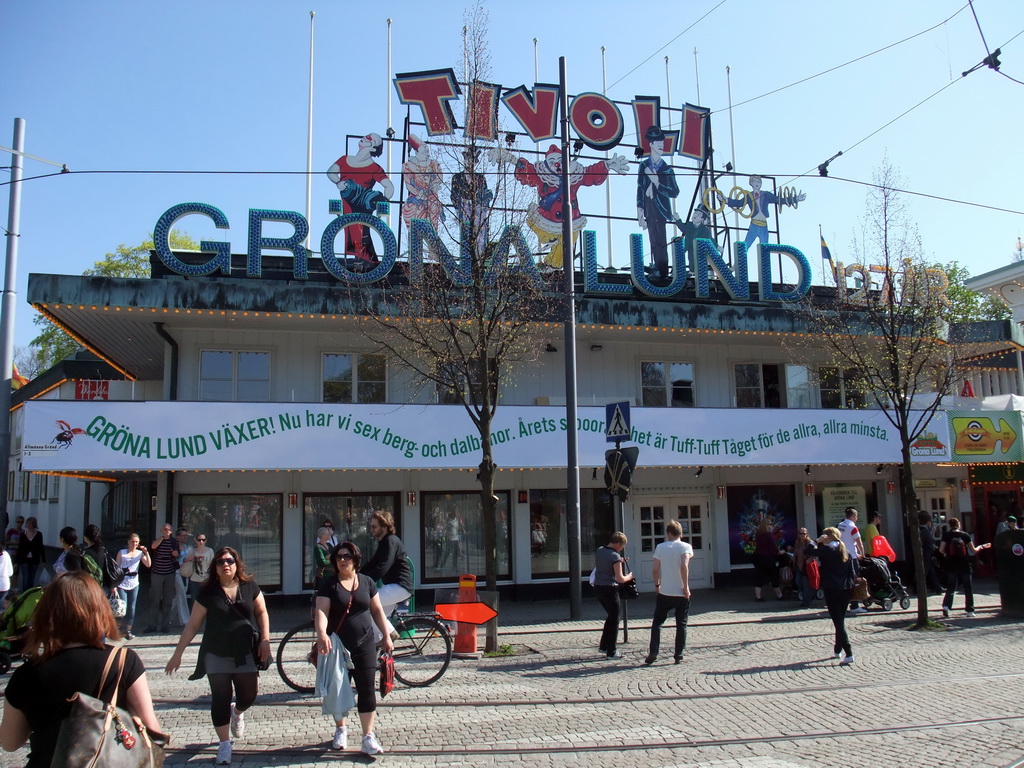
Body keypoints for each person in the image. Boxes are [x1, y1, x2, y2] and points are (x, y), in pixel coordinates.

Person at [0, 571, 162, 767]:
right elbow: (152, 730)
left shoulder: (27, 674)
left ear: (47, 615)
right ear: (99, 611)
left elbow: (10, 743)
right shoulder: (123, 661)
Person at [166, 546, 270, 766]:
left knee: (249, 695)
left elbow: (262, 612)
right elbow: (193, 625)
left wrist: (266, 640)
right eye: (221, 561)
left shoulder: (249, 586)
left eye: (230, 561)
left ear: (237, 564)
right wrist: (178, 653)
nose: (226, 565)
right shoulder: (207, 592)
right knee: (220, 698)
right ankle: (224, 744)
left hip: (245, 652)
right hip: (216, 653)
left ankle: (238, 711)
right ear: (215, 567)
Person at [493, 143, 628, 268]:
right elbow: (527, 170)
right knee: (533, 223)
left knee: (566, 247)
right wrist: (510, 158)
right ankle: (550, 241)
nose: (556, 164)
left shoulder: (574, 176)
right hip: (545, 219)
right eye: (552, 162)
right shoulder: (542, 176)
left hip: (571, 221)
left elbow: (590, 174)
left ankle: (551, 266)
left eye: (560, 161)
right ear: (547, 164)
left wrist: (606, 165)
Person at [314, 542, 393, 755]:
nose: (342, 560)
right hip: (337, 645)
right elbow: (321, 611)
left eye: (346, 556)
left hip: (365, 643)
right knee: (338, 688)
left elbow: (377, 610)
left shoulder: (367, 582)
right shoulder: (329, 585)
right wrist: (322, 634)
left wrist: (386, 635)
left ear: (355, 559)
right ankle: (340, 729)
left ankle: (368, 736)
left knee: (367, 689)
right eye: (338, 557)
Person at [326, 132, 394, 268]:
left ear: (373, 148)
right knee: (351, 231)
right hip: (347, 203)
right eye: (367, 135)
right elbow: (330, 172)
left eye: (371, 139)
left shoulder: (375, 168)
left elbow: (389, 186)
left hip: (363, 206)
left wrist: (384, 202)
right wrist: (338, 182)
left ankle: (369, 261)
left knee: (361, 231)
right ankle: (363, 260)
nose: (365, 138)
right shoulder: (345, 159)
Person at [644, 520, 692, 665]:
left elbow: (655, 569)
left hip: (665, 591)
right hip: (680, 591)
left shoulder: (660, 547)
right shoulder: (686, 547)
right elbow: (684, 566)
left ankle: (653, 651)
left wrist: (657, 584)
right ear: (680, 533)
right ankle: (678, 655)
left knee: (657, 622)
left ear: (668, 533)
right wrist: (685, 586)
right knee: (681, 624)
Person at [636, 125, 681, 281]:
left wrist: (657, 183)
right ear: (651, 144)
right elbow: (640, 187)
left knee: (661, 239)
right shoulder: (644, 165)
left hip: (661, 208)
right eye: (657, 142)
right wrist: (640, 209)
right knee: (653, 238)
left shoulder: (667, 169)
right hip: (648, 206)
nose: (661, 145)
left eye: (662, 142)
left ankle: (663, 268)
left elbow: (674, 191)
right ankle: (656, 265)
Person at [810, 527, 858, 665]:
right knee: (840, 620)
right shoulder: (845, 551)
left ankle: (849, 653)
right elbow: (852, 573)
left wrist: (816, 541)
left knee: (838, 622)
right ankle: (837, 649)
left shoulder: (827, 551)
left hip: (832, 589)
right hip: (845, 590)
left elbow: (808, 551)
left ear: (828, 537)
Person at [361, 510, 413, 625]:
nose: (371, 529)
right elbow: (373, 563)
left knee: (367, 602)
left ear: (384, 527)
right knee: (376, 619)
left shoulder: (390, 541)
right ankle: (388, 637)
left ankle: (389, 636)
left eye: (374, 526)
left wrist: (363, 582)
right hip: (392, 586)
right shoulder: (384, 542)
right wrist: (357, 574)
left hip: (399, 586)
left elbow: (383, 566)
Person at [726, 173, 806, 249]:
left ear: (761, 183)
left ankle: (763, 263)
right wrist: (725, 200)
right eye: (754, 181)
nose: (757, 183)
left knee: (764, 248)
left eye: (758, 181)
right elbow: (739, 203)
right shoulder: (749, 196)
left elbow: (779, 200)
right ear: (751, 183)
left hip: (764, 226)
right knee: (746, 245)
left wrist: (796, 199)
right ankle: (740, 261)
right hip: (754, 224)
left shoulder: (766, 194)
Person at [592, 531, 636, 659]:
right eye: (622, 546)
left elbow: (606, 562)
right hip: (610, 589)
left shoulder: (600, 550)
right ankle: (612, 651)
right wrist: (629, 576)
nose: (622, 549)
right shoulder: (614, 556)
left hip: (598, 587)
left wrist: (620, 561)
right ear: (617, 543)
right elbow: (620, 578)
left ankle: (603, 645)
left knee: (611, 617)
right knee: (615, 618)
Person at [939, 518, 992, 619]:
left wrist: (946, 554)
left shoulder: (946, 535)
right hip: (964, 564)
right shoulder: (964, 535)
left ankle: (946, 607)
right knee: (968, 587)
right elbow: (973, 550)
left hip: (951, 564)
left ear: (950, 525)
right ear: (958, 525)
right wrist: (982, 546)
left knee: (951, 586)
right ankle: (970, 610)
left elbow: (941, 550)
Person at [145, 523, 180, 633]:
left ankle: (165, 625)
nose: (167, 531)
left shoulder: (174, 541)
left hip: (169, 573)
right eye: (165, 529)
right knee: (155, 600)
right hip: (157, 573)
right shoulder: (158, 540)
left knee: (167, 600)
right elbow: (153, 546)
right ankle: (152, 625)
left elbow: (178, 552)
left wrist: (176, 553)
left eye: (169, 530)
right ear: (161, 531)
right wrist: (162, 538)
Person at [117, 533, 151, 640]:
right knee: (123, 606)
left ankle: (128, 630)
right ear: (128, 542)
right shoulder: (122, 553)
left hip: (134, 582)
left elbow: (148, 564)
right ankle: (120, 628)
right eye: (132, 542)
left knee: (132, 607)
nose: (134, 544)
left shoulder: (139, 553)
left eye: (136, 542)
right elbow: (116, 568)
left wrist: (146, 553)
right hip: (122, 582)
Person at [837, 507, 866, 613]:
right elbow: (859, 542)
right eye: (856, 516)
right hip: (852, 557)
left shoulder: (840, 525)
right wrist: (862, 553)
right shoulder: (852, 527)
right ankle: (854, 605)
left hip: (842, 555)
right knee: (854, 580)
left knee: (843, 580)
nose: (857, 518)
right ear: (853, 516)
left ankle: (842, 602)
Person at [752, 516, 783, 601]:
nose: (771, 525)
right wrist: (779, 552)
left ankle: (758, 597)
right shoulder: (769, 535)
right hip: (768, 558)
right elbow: (773, 547)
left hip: (759, 558)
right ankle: (780, 595)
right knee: (773, 576)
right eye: (770, 524)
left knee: (759, 577)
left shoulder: (758, 534)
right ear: (766, 525)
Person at [82, 524, 116, 594]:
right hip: (103, 585)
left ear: (86, 538)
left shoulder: (86, 553)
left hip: (90, 586)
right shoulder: (103, 550)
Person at [183, 533, 214, 604]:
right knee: (195, 601)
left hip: (206, 579)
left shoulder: (210, 551)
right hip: (194, 579)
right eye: (199, 540)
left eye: (203, 540)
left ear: (206, 540)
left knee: (206, 601)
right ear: (195, 540)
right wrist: (189, 559)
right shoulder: (193, 551)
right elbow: (184, 561)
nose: (201, 542)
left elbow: (213, 565)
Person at [917, 511, 943, 594]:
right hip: (926, 554)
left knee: (931, 571)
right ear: (928, 522)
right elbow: (928, 541)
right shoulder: (924, 531)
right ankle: (918, 588)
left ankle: (937, 588)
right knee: (924, 572)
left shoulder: (923, 530)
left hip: (927, 554)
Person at [15, 517, 44, 592]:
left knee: (32, 579)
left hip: (34, 559)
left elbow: (41, 547)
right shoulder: (23, 534)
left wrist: (43, 560)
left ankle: (29, 594)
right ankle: (24, 593)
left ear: (34, 524)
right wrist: (16, 561)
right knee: (26, 578)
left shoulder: (38, 534)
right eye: (27, 523)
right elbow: (20, 548)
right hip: (24, 559)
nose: (28, 525)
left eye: (30, 523)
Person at [172, 527, 193, 626]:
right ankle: (185, 620)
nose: (185, 537)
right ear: (178, 536)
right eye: (183, 535)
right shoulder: (173, 548)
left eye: (186, 535)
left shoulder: (187, 547)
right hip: (177, 573)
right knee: (182, 596)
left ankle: (168, 616)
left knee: (178, 597)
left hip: (186, 573)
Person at [792, 527, 816, 608]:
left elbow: (815, 553)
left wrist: (810, 559)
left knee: (806, 584)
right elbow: (796, 551)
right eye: (800, 533)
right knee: (798, 582)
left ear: (807, 534)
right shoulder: (797, 542)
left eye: (804, 533)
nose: (802, 535)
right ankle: (810, 594)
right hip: (799, 566)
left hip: (806, 567)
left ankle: (806, 602)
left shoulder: (810, 543)